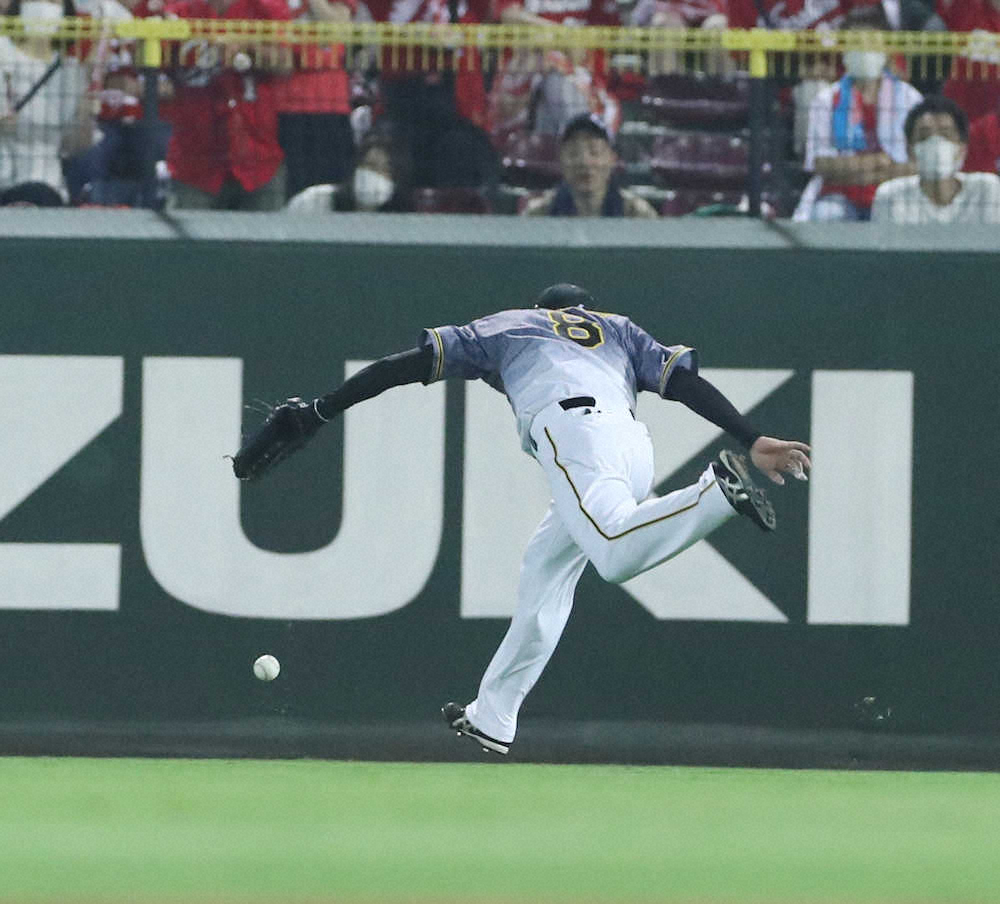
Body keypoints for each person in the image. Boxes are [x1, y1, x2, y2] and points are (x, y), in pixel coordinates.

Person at [231, 283, 811, 754]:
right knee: (547, 568)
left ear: (545, 309)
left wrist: (323, 408)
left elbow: (401, 365)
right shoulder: (619, 328)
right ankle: (494, 715)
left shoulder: (516, 324)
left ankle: (714, 495)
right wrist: (753, 435)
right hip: (632, 442)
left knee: (612, 550)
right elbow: (683, 382)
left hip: (571, 429)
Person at [794, 3, 923, 221]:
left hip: (893, 194)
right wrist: (879, 164)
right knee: (827, 215)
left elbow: (916, 164)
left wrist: (858, 170)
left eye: (872, 44)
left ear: (886, 51)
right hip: (838, 194)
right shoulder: (825, 100)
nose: (864, 51)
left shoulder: (910, 98)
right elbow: (822, 165)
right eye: (855, 44)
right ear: (843, 52)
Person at [162, 0, 293, 211]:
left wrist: (244, 44)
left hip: (257, 158)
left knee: (262, 243)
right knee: (192, 244)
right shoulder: (179, 10)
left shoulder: (266, 7)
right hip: (194, 161)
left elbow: (285, 63)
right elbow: (155, 72)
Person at [0, 0, 96, 200]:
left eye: (53, 1)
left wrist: (86, 112)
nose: (43, 6)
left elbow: (73, 146)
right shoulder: (3, 52)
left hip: (50, 188)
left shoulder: (70, 70)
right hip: (5, 181)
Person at [273, 0, 357, 201]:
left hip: (329, 102)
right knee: (290, 192)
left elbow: (341, 29)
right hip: (283, 102)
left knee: (331, 190)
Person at [872, 95, 1000, 223]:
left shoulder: (988, 189)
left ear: (962, 149)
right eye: (924, 136)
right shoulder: (890, 197)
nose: (936, 143)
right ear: (909, 150)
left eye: (946, 134)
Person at [521, 113, 657, 218]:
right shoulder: (539, 214)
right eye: (574, 153)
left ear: (612, 159)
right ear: (560, 160)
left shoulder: (636, 214)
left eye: (595, 152)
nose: (585, 163)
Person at [284, 130, 413, 212]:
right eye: (369, 166)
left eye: (385, 170)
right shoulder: (312, 201)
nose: (375, 175)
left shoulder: (401, 221)